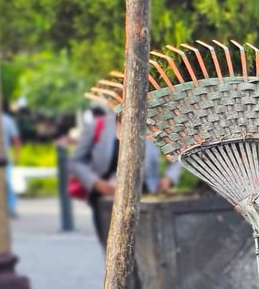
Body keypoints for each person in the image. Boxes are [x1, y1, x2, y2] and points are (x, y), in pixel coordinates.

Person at [70, 104, 181, 246]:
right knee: (112, 249)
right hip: (106, 201)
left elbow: (178, 156)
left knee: (143, 248)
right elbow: (77, 161)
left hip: (144, 197)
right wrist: (96, 183)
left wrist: (168, 178)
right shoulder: (98, 126)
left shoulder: (152, 125)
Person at [1, 102, 21, 219]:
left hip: (3, 155)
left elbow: (15, 139)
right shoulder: (7, 120)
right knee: (8, 183)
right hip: (5, 155)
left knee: (8, 182)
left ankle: (11, 208)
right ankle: (11, 208)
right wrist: (16, 156)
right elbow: (16, 139)